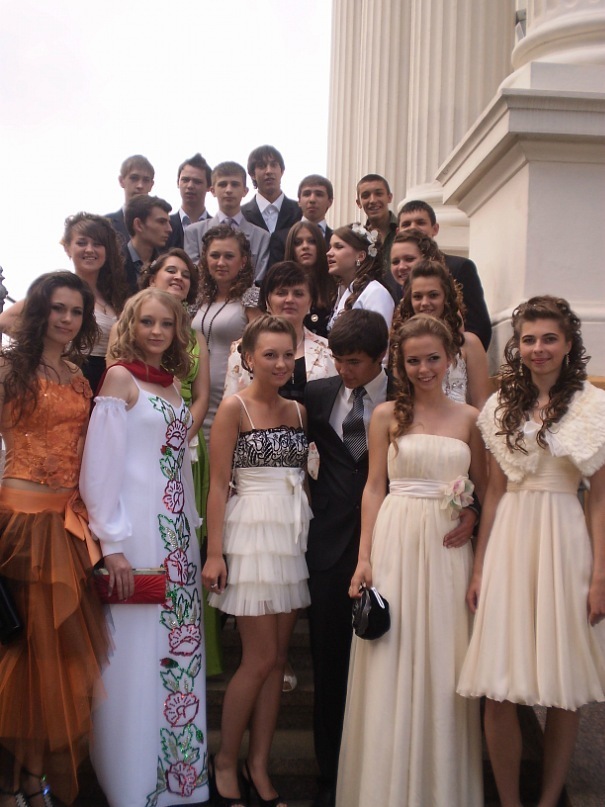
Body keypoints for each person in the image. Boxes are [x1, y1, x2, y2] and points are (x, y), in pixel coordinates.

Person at [458, 296, 605, 807]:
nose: (538, 348)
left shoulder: (593, 405)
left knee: (565, 684)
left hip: (565, 541)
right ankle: (509, 801)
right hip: (509, 540)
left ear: (568, 344)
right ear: (516, 346)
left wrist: (599, 576)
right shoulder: (500, 406)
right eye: (528, 339)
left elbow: (599, 500)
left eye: (549, 339)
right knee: (498, 683)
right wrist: (480, 568)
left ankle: (548, 799)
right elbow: (495, 492)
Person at [336, 314, 487, 807]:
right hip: (396, 543)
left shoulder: (471, 419)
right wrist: (364, 558)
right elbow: (373, 488)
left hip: (447, 552)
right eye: (413, 360)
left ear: (451, 359)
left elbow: (486, 491)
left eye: (433, 358)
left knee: (445, 660)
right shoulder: (385, 416)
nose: (424, 369)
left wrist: (472, 516)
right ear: (399, 364)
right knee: (391, 654)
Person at [80, 288, 209, 807]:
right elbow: (100, 467)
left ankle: (176, 783)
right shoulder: (119, 379)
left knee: (175, 653)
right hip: (134, 535)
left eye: (167, 324)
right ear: (131, 325)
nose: (157, 332)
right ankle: (131, 785)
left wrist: (191, 528)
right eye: (147, 322)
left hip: (176, 534)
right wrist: (111, 543)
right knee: (132, 657)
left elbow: (176, 465)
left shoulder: (173, 384)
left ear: (178, 332)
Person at [0, 271, 109, 807]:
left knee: (55, 658)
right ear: (38, 310)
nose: (67, 319)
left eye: (76, 311)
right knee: (22, 651)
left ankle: (32, 777)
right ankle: (13, 783)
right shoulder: (8, 370)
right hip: (20, 526)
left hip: (67, 527)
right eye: (57, 308)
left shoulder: (78, 375)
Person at [203, 315, 312, 807]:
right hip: (249, 536)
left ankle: (259, 766)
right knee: (260, 658)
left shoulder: (299, 411)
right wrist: (215, 553)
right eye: (270, 354)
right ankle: (226, 760)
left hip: (289, 539)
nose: (281, 363)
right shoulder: (234, 408)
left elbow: (302, 480)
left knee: (278, 662)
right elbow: (217, 485)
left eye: (288, 354)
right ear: (248, 358)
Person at [304, 309, 394, 807]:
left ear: (380, 356)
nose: (344, 370)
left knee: (387, 664)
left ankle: (380, 772)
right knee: (329, 664)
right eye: (338, 359)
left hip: (394, 545)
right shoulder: (317, 395)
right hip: (330, 548)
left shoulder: (406, 395)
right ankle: (330, 776)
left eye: (354, 361)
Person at [136, 249, 224, 678]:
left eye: (186, 274)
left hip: (187, 441)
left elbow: (202, 395)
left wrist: (183, 434)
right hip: (145, 442)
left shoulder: (194, 337)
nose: (179, 278)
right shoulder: (135, 331)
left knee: (191, 541)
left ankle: (196, 651)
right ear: (152, 275)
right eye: (170, 270)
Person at [0, 213, 129, 394]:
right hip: (72, 377)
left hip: (109, 381)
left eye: (97, 244)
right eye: (82, 243)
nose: (89, 249)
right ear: (68, 248)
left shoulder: (115, 296)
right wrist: (48, 346)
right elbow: (4, 320)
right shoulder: (58, 291)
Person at [225, 261, 336, 401]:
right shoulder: (243, 348)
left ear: (310, 302)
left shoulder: (328, 351)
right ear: (267, 301)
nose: (289, 299)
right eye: (281, 293)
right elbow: (231, 403)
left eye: (298, 294)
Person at [191, 225, 261, 444]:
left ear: (243, 261)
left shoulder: (251, 297)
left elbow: (261, 345)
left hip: (231, 392)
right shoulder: (198, 298)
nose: (221, 262)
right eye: (215, 255)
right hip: (195, 393)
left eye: (229, 256)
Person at [392, 260, 491, 409]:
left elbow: (481, 405)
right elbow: (401, 399)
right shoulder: (402, 345)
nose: (425, 303)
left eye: (433, 295)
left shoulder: (470, 344)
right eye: (417, 296)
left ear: (446, 297)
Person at [397, 200, 492, 349]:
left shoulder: (460, 267)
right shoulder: (392, 277)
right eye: (406, 224)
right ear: (398, 232)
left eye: (420, 222)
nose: (413, 228)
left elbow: (478, 326)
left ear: (435, 228)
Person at [184, 161, 270, 281]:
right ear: (212, 190)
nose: (228, 190)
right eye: (222, 184)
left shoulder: (262, 237)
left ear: (245, 191)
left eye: (235, 184)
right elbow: (193, 274)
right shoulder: (193, 233)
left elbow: (259, 279)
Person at [241, 145, 302, 266]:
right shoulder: (241, 215)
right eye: (262, 166)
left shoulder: (299, 212)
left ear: (282, 171)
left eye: (274, 165)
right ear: (252, 174)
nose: (268, 171)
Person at [326, 224, 394, 331]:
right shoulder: (342, 291)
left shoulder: (376, 293)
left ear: (360, 256)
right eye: (330, 247)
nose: (329, 253)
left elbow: (380, 338)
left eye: (338, 247)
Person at [284, 221, 337, 337]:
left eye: (312, 241)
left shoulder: (335, 284)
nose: (305, 246)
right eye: (298, 243)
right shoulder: (281, 286)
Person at [355, 174, 398, 297]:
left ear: (389, 197)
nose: (373, 200)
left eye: (378, 194)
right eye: (366, 196)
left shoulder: (405, 231)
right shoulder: (356, 240)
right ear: (358, 203)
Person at [122, 195, 172, 294]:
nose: (169, 229)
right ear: (138, 225)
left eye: (168, 222)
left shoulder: (165, 263)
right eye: (161, 222)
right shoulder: (113, 264)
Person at [165, 153, 212, 250]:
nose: (190, 186)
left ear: (209, 187)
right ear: (178, 183)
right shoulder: (165, 226)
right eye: (185, 180)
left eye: (197, 181)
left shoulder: (217, 227)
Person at [105, 154, 155, 244]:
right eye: (134, 178)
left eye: (146, 180)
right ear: (121, 181)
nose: (140, 185)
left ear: (151, 185)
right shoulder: (106, 225)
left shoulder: (162, 226)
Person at [297, 175, 334, 244]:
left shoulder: (339, 240)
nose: (312, 199)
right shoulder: (282, 238)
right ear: (299, 201)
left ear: (330, 201)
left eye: (319, 194)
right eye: (307, 194)